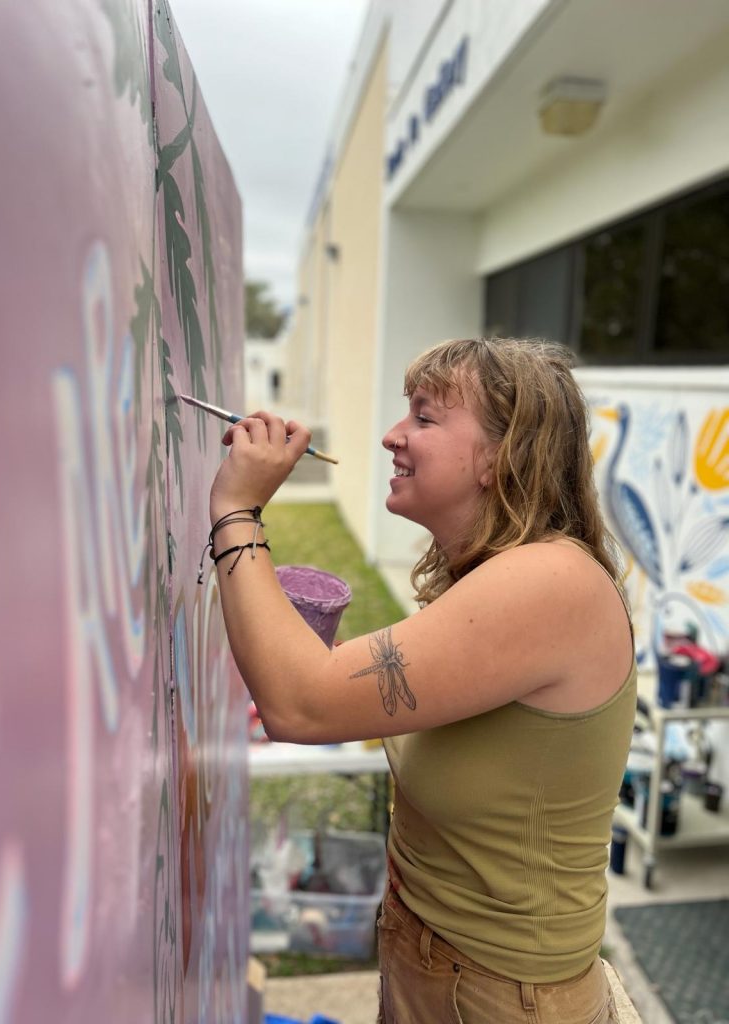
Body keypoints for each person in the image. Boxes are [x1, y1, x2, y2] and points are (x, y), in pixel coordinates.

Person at [208, 337, 635, 1024]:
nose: (390, 436)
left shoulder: (549, 583)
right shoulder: (496, 580)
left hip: (501, 999)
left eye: (426, 418)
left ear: (503, 453)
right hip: (440, 970)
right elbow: (343, 692)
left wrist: (236, 509)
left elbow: (299, 704)